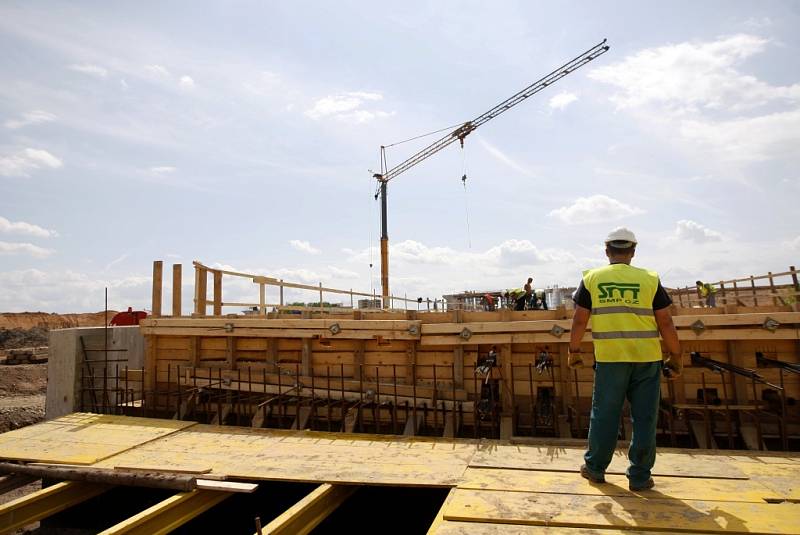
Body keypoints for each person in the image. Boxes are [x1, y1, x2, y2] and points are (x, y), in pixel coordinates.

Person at [568, 227, 682, 492]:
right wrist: (676, 355)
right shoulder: (650, 279)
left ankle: (595, 468)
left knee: (605, 415)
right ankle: (640, 477)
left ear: (607, 251)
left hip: (610, 359)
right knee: (645, 417)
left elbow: (579, 320)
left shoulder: (592, 278)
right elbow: (665, 321)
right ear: (632, 252)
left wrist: (574, 351)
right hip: (647, 359)